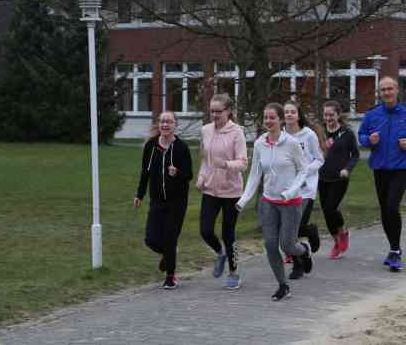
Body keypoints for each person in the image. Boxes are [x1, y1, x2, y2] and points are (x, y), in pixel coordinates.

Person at [235, 103, 313, 301]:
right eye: (265, 117)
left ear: (280, 120)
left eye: (272, 117)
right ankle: (282, 285)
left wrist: (292, 191)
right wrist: (243, 200)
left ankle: (303, 251)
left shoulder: (291, 143)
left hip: (291, 202)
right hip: (268, 202)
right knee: (270, 245)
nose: (268, 121)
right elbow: (255, 175)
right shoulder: (260, 143)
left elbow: (303, 170)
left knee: (287, 246)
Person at [358, 77, 406, 272]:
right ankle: (393, 248)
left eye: (390, 89)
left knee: (391, 206)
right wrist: (369, 140)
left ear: (397, 91)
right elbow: (361, 136)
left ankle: (395, 250)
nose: (386, 92)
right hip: (379, 167)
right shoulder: (372, 115)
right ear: (379, 93)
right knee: (384, 210)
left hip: (401, 167)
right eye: (383, 90)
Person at [134, 111, 194, 290]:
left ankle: (170, 276)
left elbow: (189, 175)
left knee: (169, 237)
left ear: (175, 125)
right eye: (162, 122)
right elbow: (145, 172)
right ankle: (169, 253)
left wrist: (177, 173)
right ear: (159, 125)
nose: (165, 125)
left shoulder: (181, 148)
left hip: (177, 202)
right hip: (157, 200)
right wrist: (139, 194)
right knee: (151, 239)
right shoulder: (151, 146)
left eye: (169, 122)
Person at [196, 94, 248, 289]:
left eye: (219, 111)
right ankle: (220, 253)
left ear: (228, 111)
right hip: (210, 189)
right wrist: (201, 177)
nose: (215, 115)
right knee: (205, 230)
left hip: (231, 191)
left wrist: (225, 164)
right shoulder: (206, 130)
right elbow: (205, 159)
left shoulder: (237, 133)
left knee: (228, 233)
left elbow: (243, 163)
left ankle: (234, 273)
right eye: (212, 111)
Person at [283, 100, 324, 279]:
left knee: (294, 228)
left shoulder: (308, 135)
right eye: (286, 112)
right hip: (285, 189)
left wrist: (305, 171)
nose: (289, 115)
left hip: (305, 189)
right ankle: (303, 253)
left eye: (292, 111)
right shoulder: (280, 135)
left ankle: (308, 232)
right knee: (286, 231)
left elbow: (319, 159)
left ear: (298, 115)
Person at [318, 100, 360, 260]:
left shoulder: (347, 133)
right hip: (322, 177)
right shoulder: (320, 132)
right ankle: (337, 241)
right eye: (326, 114)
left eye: (331, 115)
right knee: (326, 212)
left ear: (338, 115)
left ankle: (342, 232)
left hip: (339, 178)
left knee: (331, 208)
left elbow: (355, 155)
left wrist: (347, 169)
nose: (328, 118)